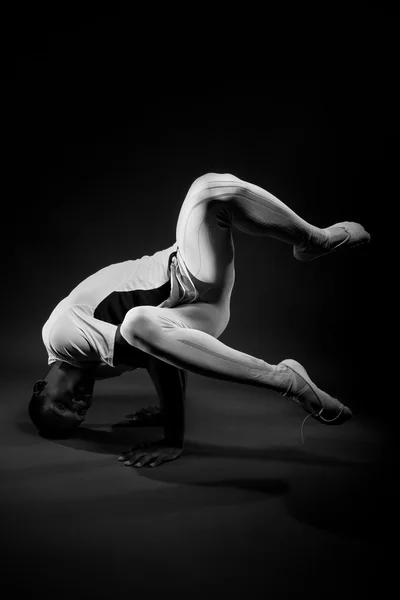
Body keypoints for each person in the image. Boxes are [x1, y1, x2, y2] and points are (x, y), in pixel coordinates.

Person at [29, 173, 371, 468]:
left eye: (61, 403)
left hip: (189, 274)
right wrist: (167, 411)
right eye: (79, 413)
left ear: (41, 386)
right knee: (138, 327)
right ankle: (289, 381)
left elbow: (156, 353)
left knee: (211, 193)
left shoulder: (60, 337)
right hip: (198, 313)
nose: (78, 403)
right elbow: (162, 349)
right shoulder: (92, 365)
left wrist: (172, 437)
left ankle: (315, 240)